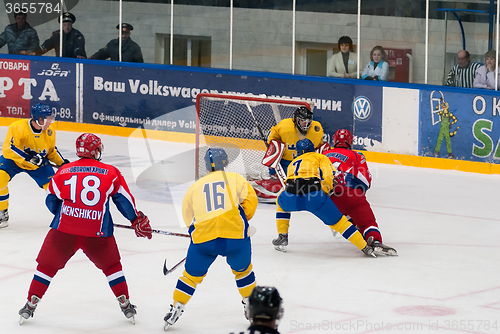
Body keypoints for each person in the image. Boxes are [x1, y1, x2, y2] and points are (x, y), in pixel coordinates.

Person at [18, 133, 153, 324]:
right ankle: (124, 301)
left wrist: (65, 214)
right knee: (112, 266)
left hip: (64, 231)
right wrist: (136, 220)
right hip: (98, 233)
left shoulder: (64, 171)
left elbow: (50, 200)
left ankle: (31, 302)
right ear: (96, 150)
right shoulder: (111, 172)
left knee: (46, 267)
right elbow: (124, 200)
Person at [164, 148, 258, 330]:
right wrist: (238, 220)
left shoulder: (195, 186)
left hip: (204, 240)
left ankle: (176, 307)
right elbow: (251, 204)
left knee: (190, 276)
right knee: (243, 272)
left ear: (207, 166)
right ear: (226, 163)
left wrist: (196, 232)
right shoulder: (237, 179)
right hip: (235, 238)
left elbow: (187, 215)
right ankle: (251, 305)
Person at [272, 138, 375, 257]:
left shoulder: (292, 163)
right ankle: (365, 247)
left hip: (292, 196)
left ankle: (282, 236)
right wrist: (326, 191)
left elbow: (288, 182)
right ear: (313, 150)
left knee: (280, 203)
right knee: (340, 224)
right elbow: (327, 176)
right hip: (315, 196)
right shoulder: (320, 157)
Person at [323, 129, 397, 256]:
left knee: (342, 217)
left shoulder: (323, 154)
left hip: (328, 199)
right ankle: (374, 240)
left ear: (334, 141)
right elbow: (365, 180)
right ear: (350, 141)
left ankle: (351, 224)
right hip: (351, 193)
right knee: (366, 221)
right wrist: (358, 195)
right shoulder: (357, 155)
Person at [0, 103, 68, 229]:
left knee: (55, 188)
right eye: (48, 118)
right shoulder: (18, 127)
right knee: (0, 178)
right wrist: (28, 157)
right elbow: (8, 149)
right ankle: (2, 212)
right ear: (39, 119)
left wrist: (62, 163)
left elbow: (51, 151)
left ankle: (66, 216)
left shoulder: (49, 131)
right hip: (15, 161)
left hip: (38, 165)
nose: (50, 121)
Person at [251, 106, 326, 202]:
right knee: (274, 147)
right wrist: (271, 142)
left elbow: (320, 148)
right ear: (296, 120)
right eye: (303, 121)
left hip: (305, 165)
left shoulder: (316, 129)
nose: (305, 125)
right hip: (285, 163)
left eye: (308, 122)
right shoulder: (284, 127)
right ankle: (275, 176)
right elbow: (271, 138)